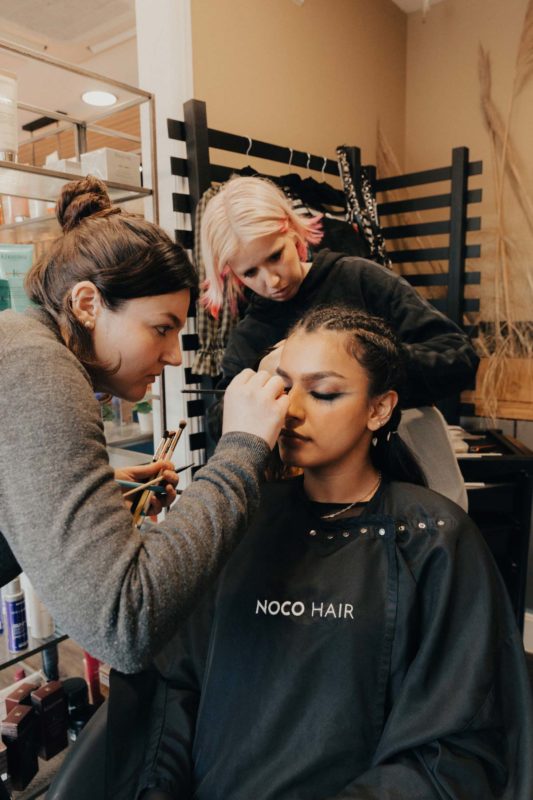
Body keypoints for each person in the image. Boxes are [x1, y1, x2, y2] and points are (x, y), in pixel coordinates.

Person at [132, 306, 532, 800]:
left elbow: (455, 745)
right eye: (282, 388)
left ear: (379, 408)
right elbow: (173, 689)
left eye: (323, 392)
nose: (292, 411)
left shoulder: (433, 538)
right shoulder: (239, 522)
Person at [0, 176, 288, 674]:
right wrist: (240, 452)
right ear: (88, 304)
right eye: (161, 328)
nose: (175, 356)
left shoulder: (19, 344)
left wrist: (90, 499)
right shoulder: (39, 367)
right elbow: (123, 625)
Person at [200, 175, 480, 509]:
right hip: (321, 498)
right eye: (250, 273)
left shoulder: (359, 278)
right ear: (231, 272)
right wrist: (265, 379)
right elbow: (220, 419)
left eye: (275, 256)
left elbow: (459, 355)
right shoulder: (251, 334)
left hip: (413, 466)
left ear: (291, 229)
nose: (271, 280)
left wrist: (365, 364)